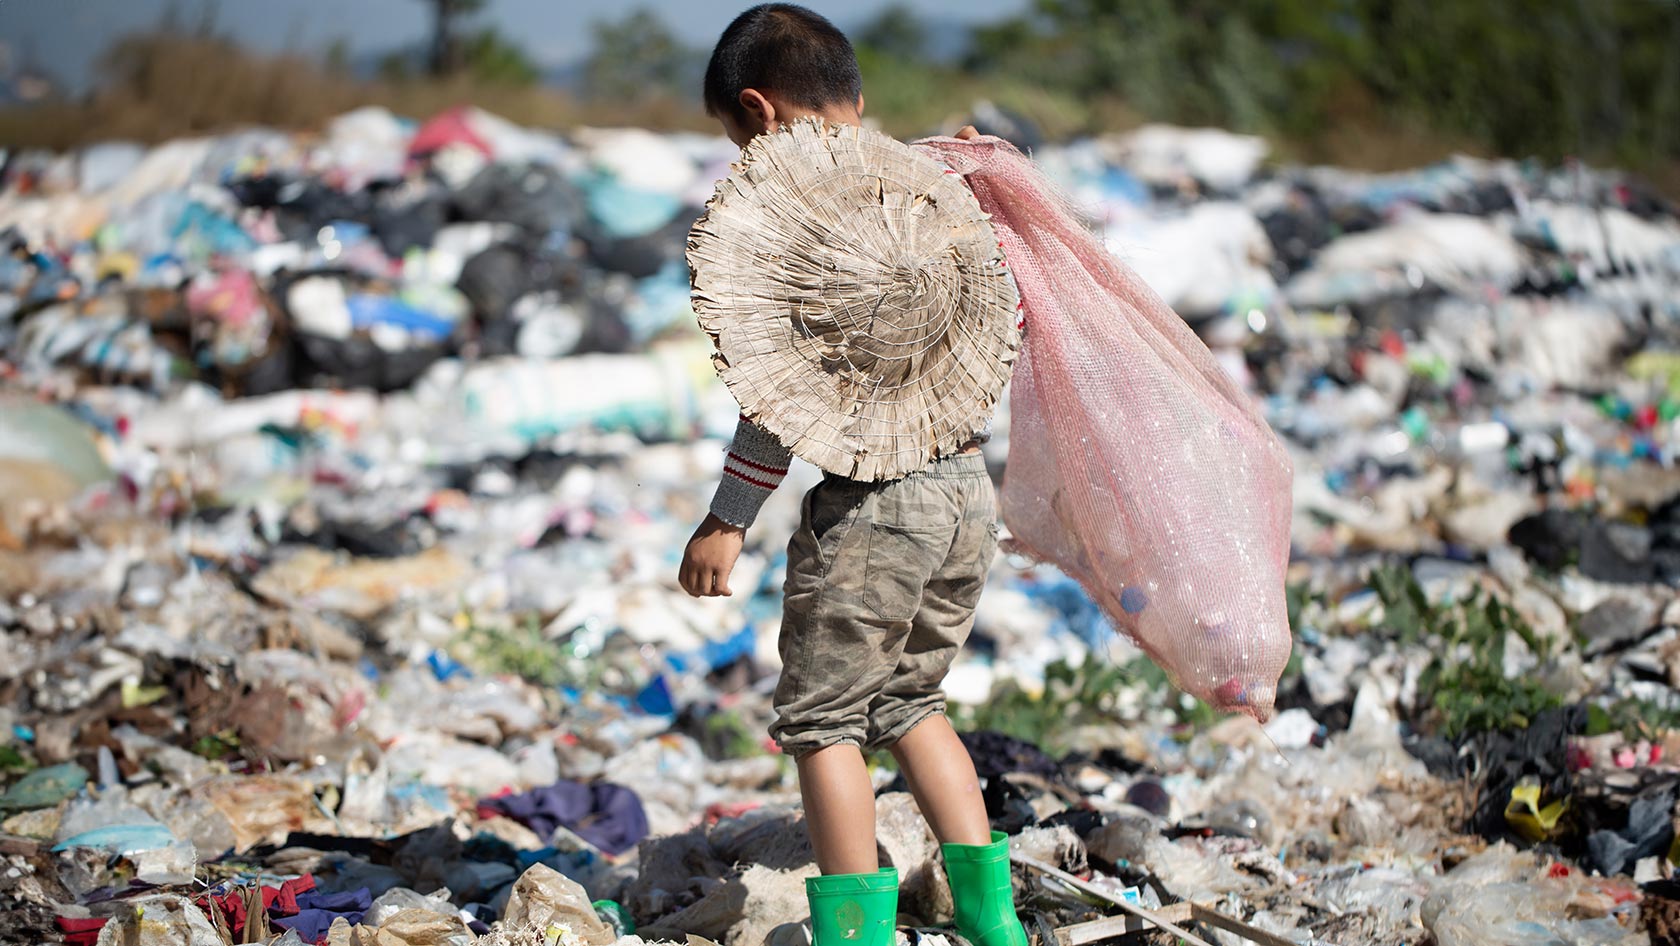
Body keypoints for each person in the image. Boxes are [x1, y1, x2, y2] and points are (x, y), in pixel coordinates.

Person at [677, 6, 1026, 946]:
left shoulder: (813, 228)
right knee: (913, 703)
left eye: (735, 140)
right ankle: (998, 926)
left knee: (824, 721)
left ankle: (856, 936)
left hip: (878, 510)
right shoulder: (920, 201)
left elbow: (780, 397)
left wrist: (726, 518)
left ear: (759, 114)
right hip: (964, 494)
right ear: (858, 101)